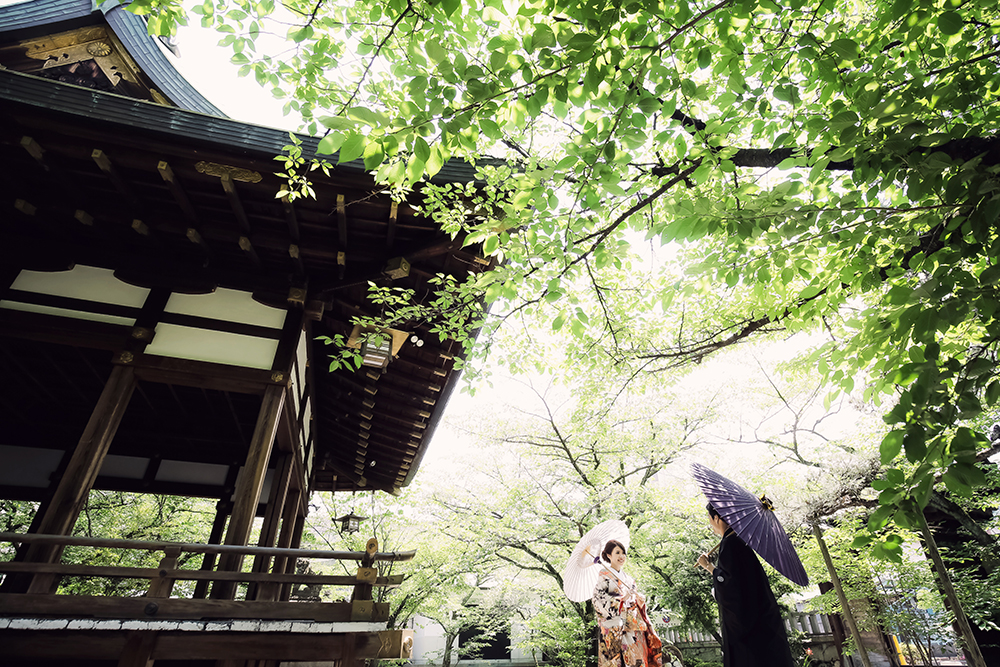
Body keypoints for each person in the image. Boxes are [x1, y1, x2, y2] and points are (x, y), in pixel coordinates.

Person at [695, 504, 795, 667]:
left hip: (749, 631)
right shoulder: (740, 542)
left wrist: (708, 566)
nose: (710, 524)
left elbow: (729, 586)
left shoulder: (730, 544)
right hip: (762, 622)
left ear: (717, 518)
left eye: (709, 518)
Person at [593, 539, 664, 667]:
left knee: (637, 661)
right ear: (609, 555)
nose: (622, 556)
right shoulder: (604, 575)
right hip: (614, 628)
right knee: (615, 662)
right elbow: (598, 600)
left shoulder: (629, 579)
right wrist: (620, 600)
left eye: (623, 553)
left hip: (633, 626)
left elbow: (635, 604)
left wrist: (640, 602)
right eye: (617, 552)